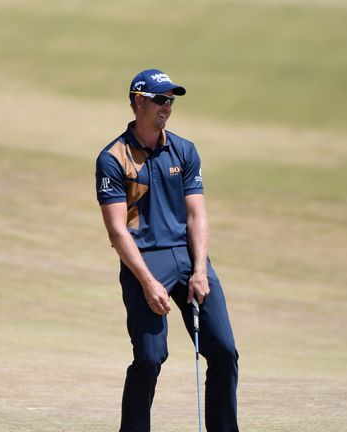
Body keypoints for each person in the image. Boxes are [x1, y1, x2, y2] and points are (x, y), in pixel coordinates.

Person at [95, 68, 239, 432]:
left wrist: (201, 270)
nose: (167, 106)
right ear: (138, 101)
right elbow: (117, 231)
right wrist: (147, 281)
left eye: (171, 100)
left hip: (188, 259)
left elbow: (197, 215)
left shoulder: (185, 150)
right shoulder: (114, 158)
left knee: (223, 350)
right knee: (150, 357)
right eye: (161, 99)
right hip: (145, 261)